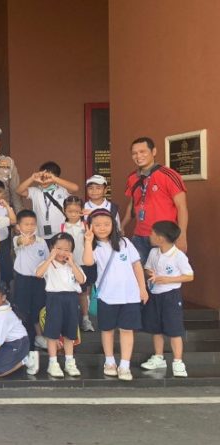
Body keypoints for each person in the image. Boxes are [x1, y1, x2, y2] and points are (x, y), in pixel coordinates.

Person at [83, 209, 148, 381]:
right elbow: (88, 262)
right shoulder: (94, 247)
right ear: (90, 227)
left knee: (127, 330)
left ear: (113, 225)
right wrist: (88, 241)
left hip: (130, 295)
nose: (102, 228)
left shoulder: (125, 242)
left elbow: (136, 265)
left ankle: (125, 365)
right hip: (107, 295)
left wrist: (142, 288)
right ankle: (110, 362)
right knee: (107, 330)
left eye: (106, 224)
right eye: (97, 225)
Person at [121, 137, 188, 265]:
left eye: (143, 151)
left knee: (164, 273)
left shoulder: (168, 174)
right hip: (139, 236)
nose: (138, 156)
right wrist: (122, 225)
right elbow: (132, 204)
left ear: (154, 151)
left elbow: (182, 207)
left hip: (164, 236)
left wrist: (182, 236)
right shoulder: (132, 178)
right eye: (134, 153)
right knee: (138, 273)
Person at [141, 220, 194, 377]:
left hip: (171, 296)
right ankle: (159, 357)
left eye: (152, 233)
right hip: (154, 294)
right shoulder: (154, 252)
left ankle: (178, 362)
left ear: (161, 238)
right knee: (156, 328)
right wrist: (150, 274)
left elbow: (189, 276)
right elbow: (147, 268)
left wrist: (167, 279)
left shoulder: (178, 255)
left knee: (174, 329)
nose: (150, 235)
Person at [36, 232, 86, 378]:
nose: (62, 252)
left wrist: (72, 264)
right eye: (58, 248)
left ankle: (69, 362)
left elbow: (82, 280)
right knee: (52, 333)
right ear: (52, 248)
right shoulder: (48, 264)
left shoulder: (73, 266)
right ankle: (53, 363)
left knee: (70, 333)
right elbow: (38, 274)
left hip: (71, 299)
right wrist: (50, 258)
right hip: (54, 299)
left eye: (66, 250)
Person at [0, 280, 39, 377]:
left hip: (17, 343)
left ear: (3, 297)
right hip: (3, 341)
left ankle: (27, 359)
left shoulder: (1, 316)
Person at [13, 210, 50, 351]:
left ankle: (39, 337)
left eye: (32, 224)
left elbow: (47, 260)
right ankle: (23, 339)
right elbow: (20, 242)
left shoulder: (41, 242)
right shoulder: (17, 239)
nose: (30, 227)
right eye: (26, 224)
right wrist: (24, 240)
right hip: (22, 281)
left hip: (39, 281)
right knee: (22, 309)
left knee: (38, 308)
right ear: (18, 226)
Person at [16, 161, 80, 244]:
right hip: (40, 234)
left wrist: (54, 179)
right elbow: (19, 191)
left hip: (60, 233)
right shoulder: (35, 191)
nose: (44, 179)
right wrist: (32, 178)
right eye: (42, 176)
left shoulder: (62, 190)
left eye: (48, 177)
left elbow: (75, 188)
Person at [59, 196, 95, 332]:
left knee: (83, 292)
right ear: (64, 211)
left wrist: (90, 215)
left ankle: (85, 318)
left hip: (83, 263)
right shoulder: (62, 226)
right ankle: (71, 320)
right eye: (70, 211)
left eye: (77, 211)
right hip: (67, 265)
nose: (73, 214)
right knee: (69, 292)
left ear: (82, 210)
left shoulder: (87, 224)